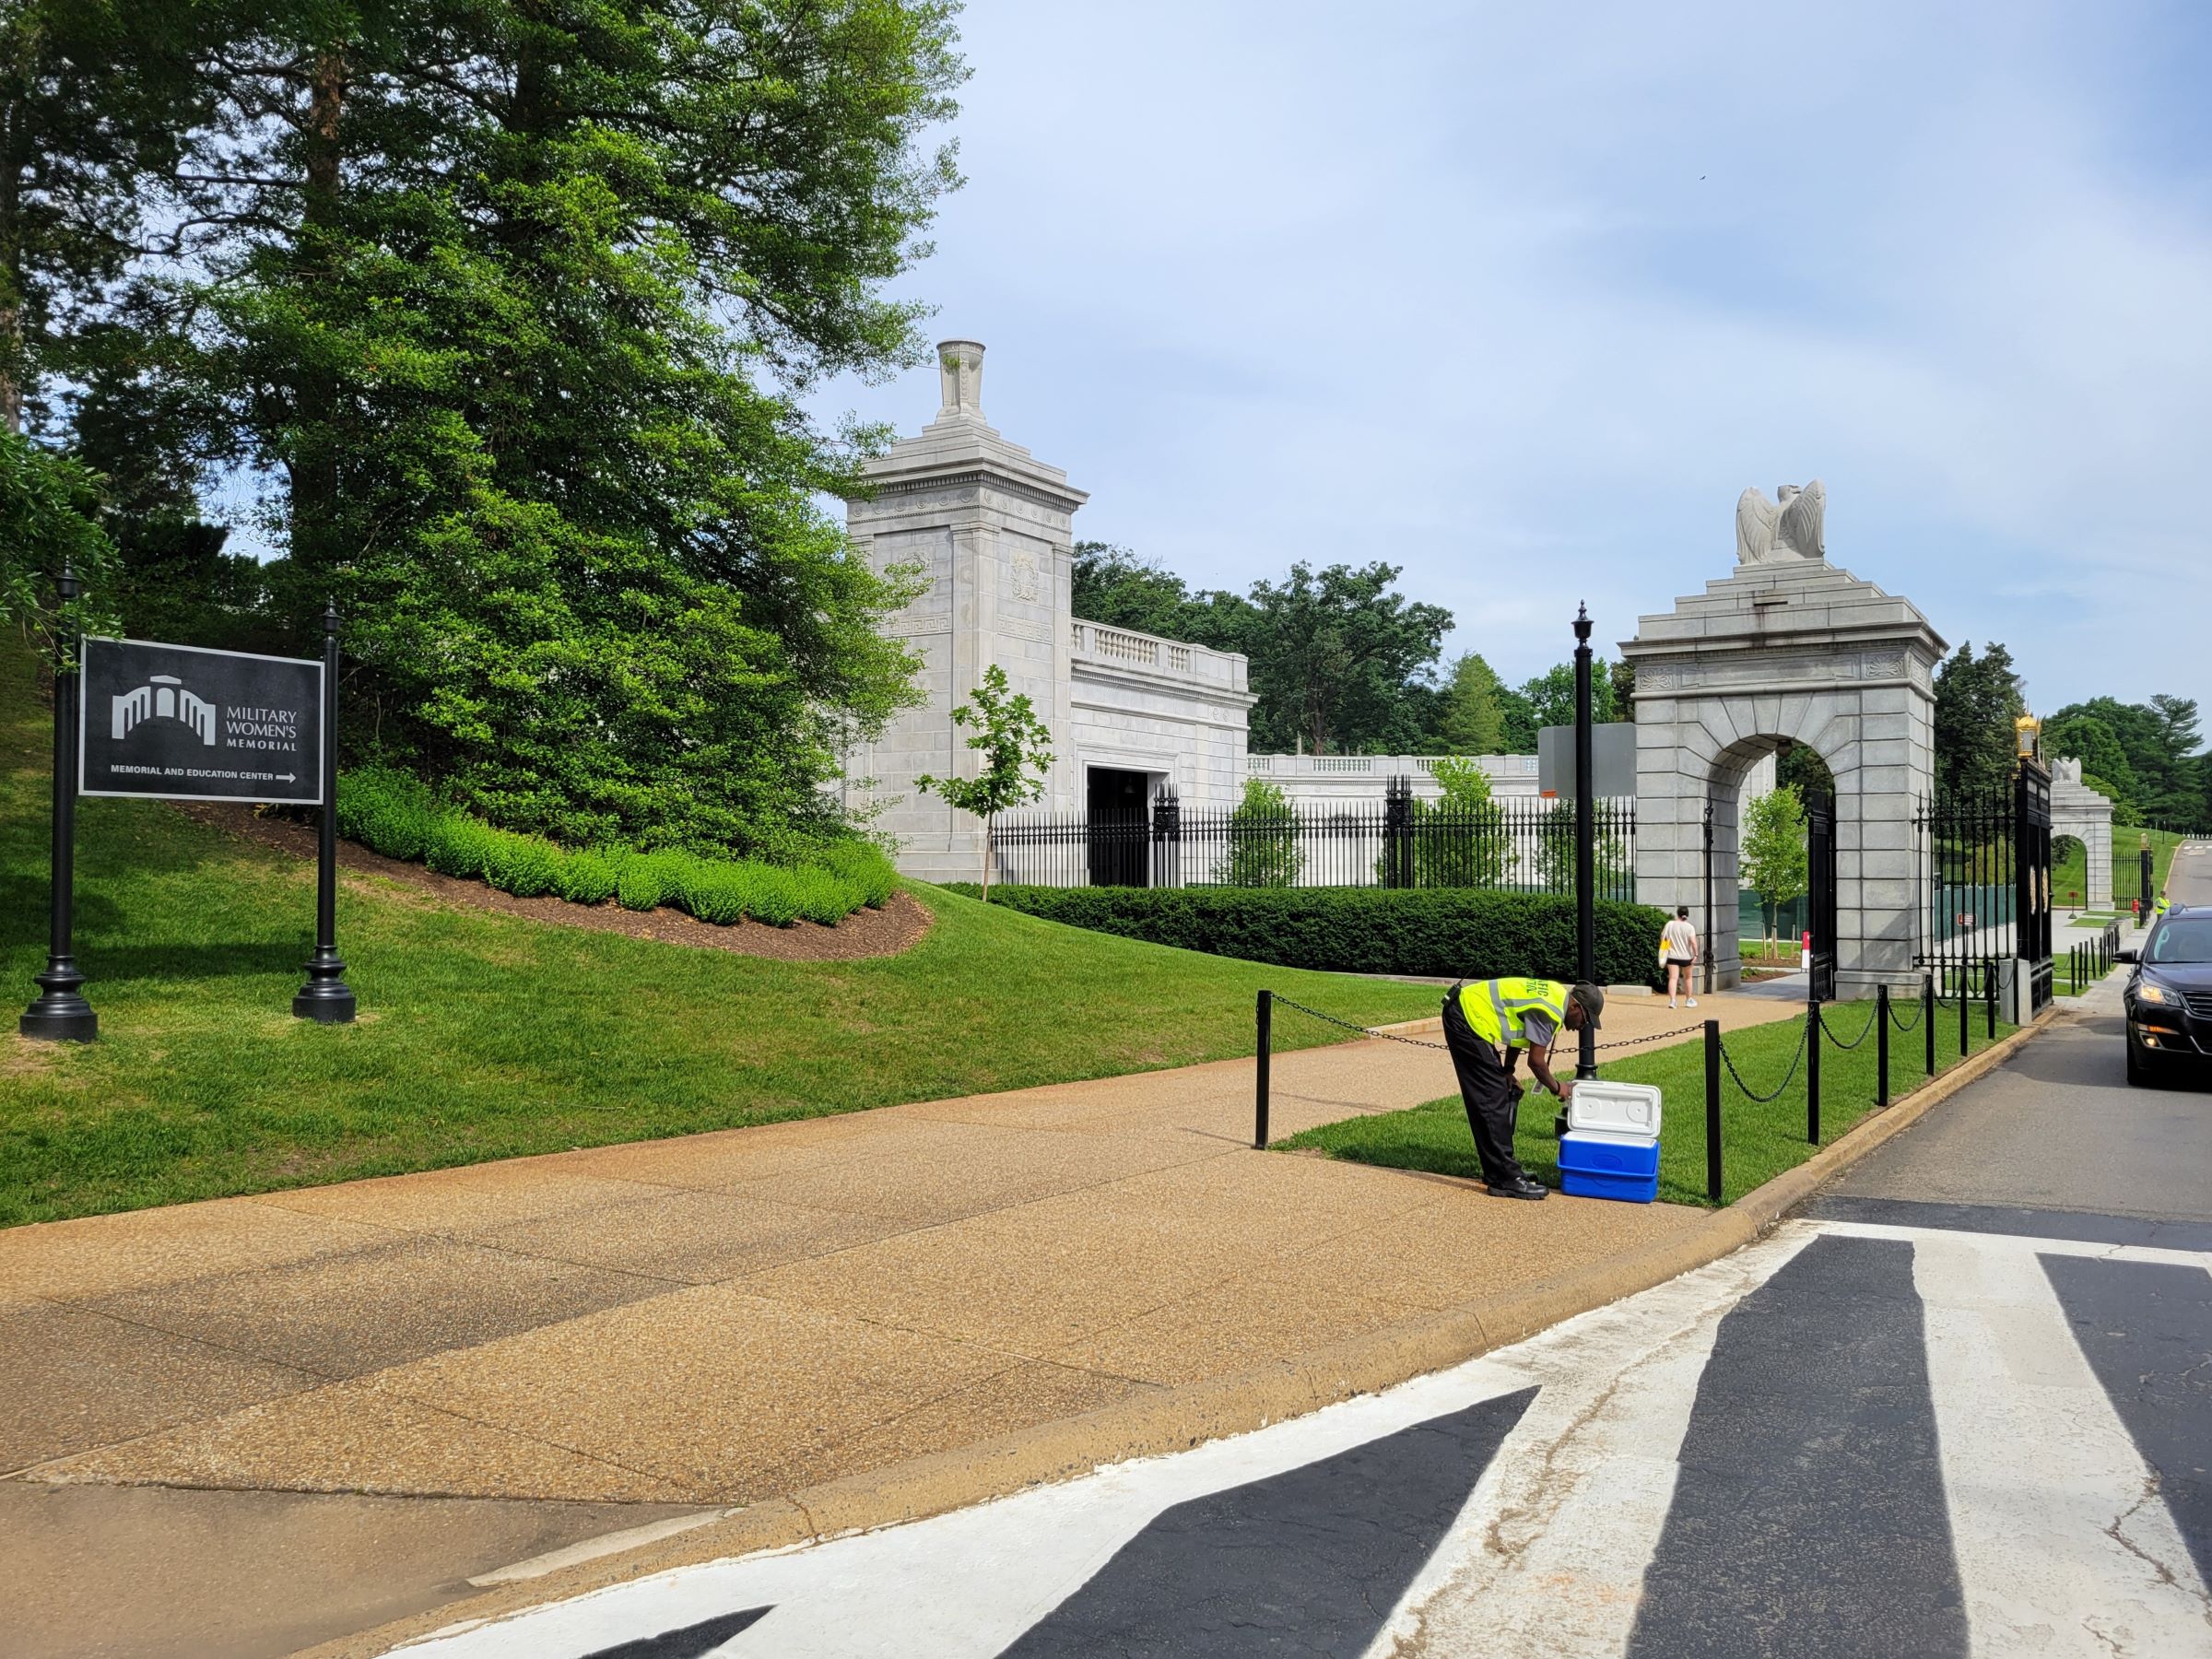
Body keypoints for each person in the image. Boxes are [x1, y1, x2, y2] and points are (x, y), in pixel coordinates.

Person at [1439, 977, 1606, 1200]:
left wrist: (1507, 1071)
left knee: (1492, 1095)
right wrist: (1559, 1088)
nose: (1582, 1027)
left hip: (1465, 1012)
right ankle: (1507, 1178)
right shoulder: (1551, 1010)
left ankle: (1498, 1173)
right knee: (1492, 1100)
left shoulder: (1554, 995)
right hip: (1467, 1019)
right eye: (1585, 1019)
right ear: (1575, 1006)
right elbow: (1536, 1062)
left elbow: (1518, 1033)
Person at [1661, 905, 1700, 1009]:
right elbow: (1693, 942)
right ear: (1687, 915)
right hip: (1686, 956)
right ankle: (1688, 999)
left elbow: (1663, 938)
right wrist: (1696, 954)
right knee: (1688, 978)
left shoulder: (1670, 924)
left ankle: (1673, 1001)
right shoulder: (1689, 927)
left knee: (1673, 978)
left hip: (1672, 955)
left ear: (1677, 913)